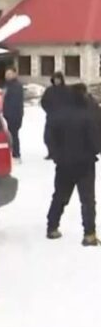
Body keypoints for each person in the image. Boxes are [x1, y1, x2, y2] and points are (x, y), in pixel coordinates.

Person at [45, 83, 101, 246]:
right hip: (85, 164)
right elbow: (96, 140)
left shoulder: (58, 114)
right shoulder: (87, 115)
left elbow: (49, 137)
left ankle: (52, 227)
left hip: (63, 164)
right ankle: (89, 234)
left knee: (60, 196)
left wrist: (56, 154)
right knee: (87, 200)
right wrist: (94, 151)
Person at [41, 72, 71, 159]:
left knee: (61, 137)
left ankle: (61, 153)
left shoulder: (67, 90)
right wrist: (49, 110)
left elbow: (71, 102)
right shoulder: (49, 90)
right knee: (48, 137)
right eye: (55, 79)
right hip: (52, 117)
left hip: (64, 118)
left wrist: (66, 112)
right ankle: (51, 153)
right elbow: (44, 102)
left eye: (58, 79)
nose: (57, 81)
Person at [2, 67, 24, 161]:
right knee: (9, 134)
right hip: (7, 113)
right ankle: (11, 152)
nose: (7, 75)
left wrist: (10, 114)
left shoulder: (16, 86)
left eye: (10, 74)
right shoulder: (8, 85)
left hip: (14, 115)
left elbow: (15, 102)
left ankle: (16, 154)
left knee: (13, 134)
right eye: (6, 74)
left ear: (15, 74)